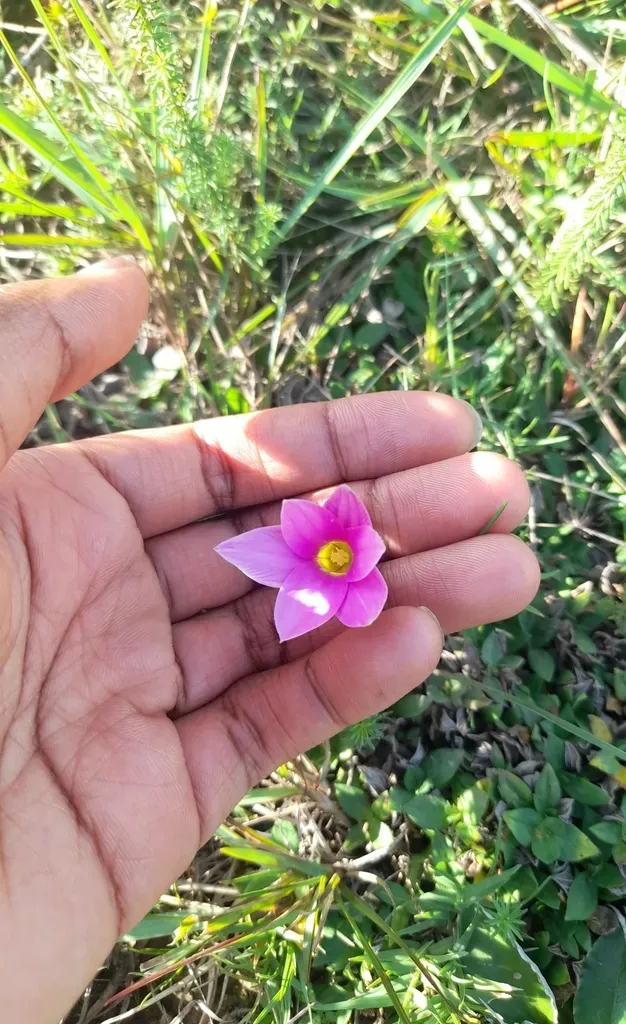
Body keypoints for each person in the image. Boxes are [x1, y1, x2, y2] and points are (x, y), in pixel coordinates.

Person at [0, 258, 538, 1022]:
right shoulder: (303, 571)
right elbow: (301, 579)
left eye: (340, 554)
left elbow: (349, 577)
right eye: (331, 556)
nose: (335, 558)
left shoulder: (349, 563)